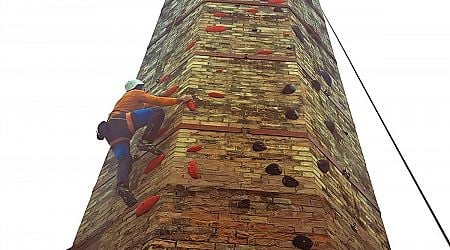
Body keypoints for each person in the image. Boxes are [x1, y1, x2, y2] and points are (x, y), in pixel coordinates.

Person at [96, 79, 192, 207]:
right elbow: (156, 102)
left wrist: (161, 95)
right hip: (123, 122)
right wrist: (180, 100)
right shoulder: (134, 93)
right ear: (138, 86)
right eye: (142, 87)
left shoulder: (126, 100)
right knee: (158, 112)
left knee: (125, 159)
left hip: (112, 133)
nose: (144, 90)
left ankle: (122, 186)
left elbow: (147, 105)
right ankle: (145, 141)